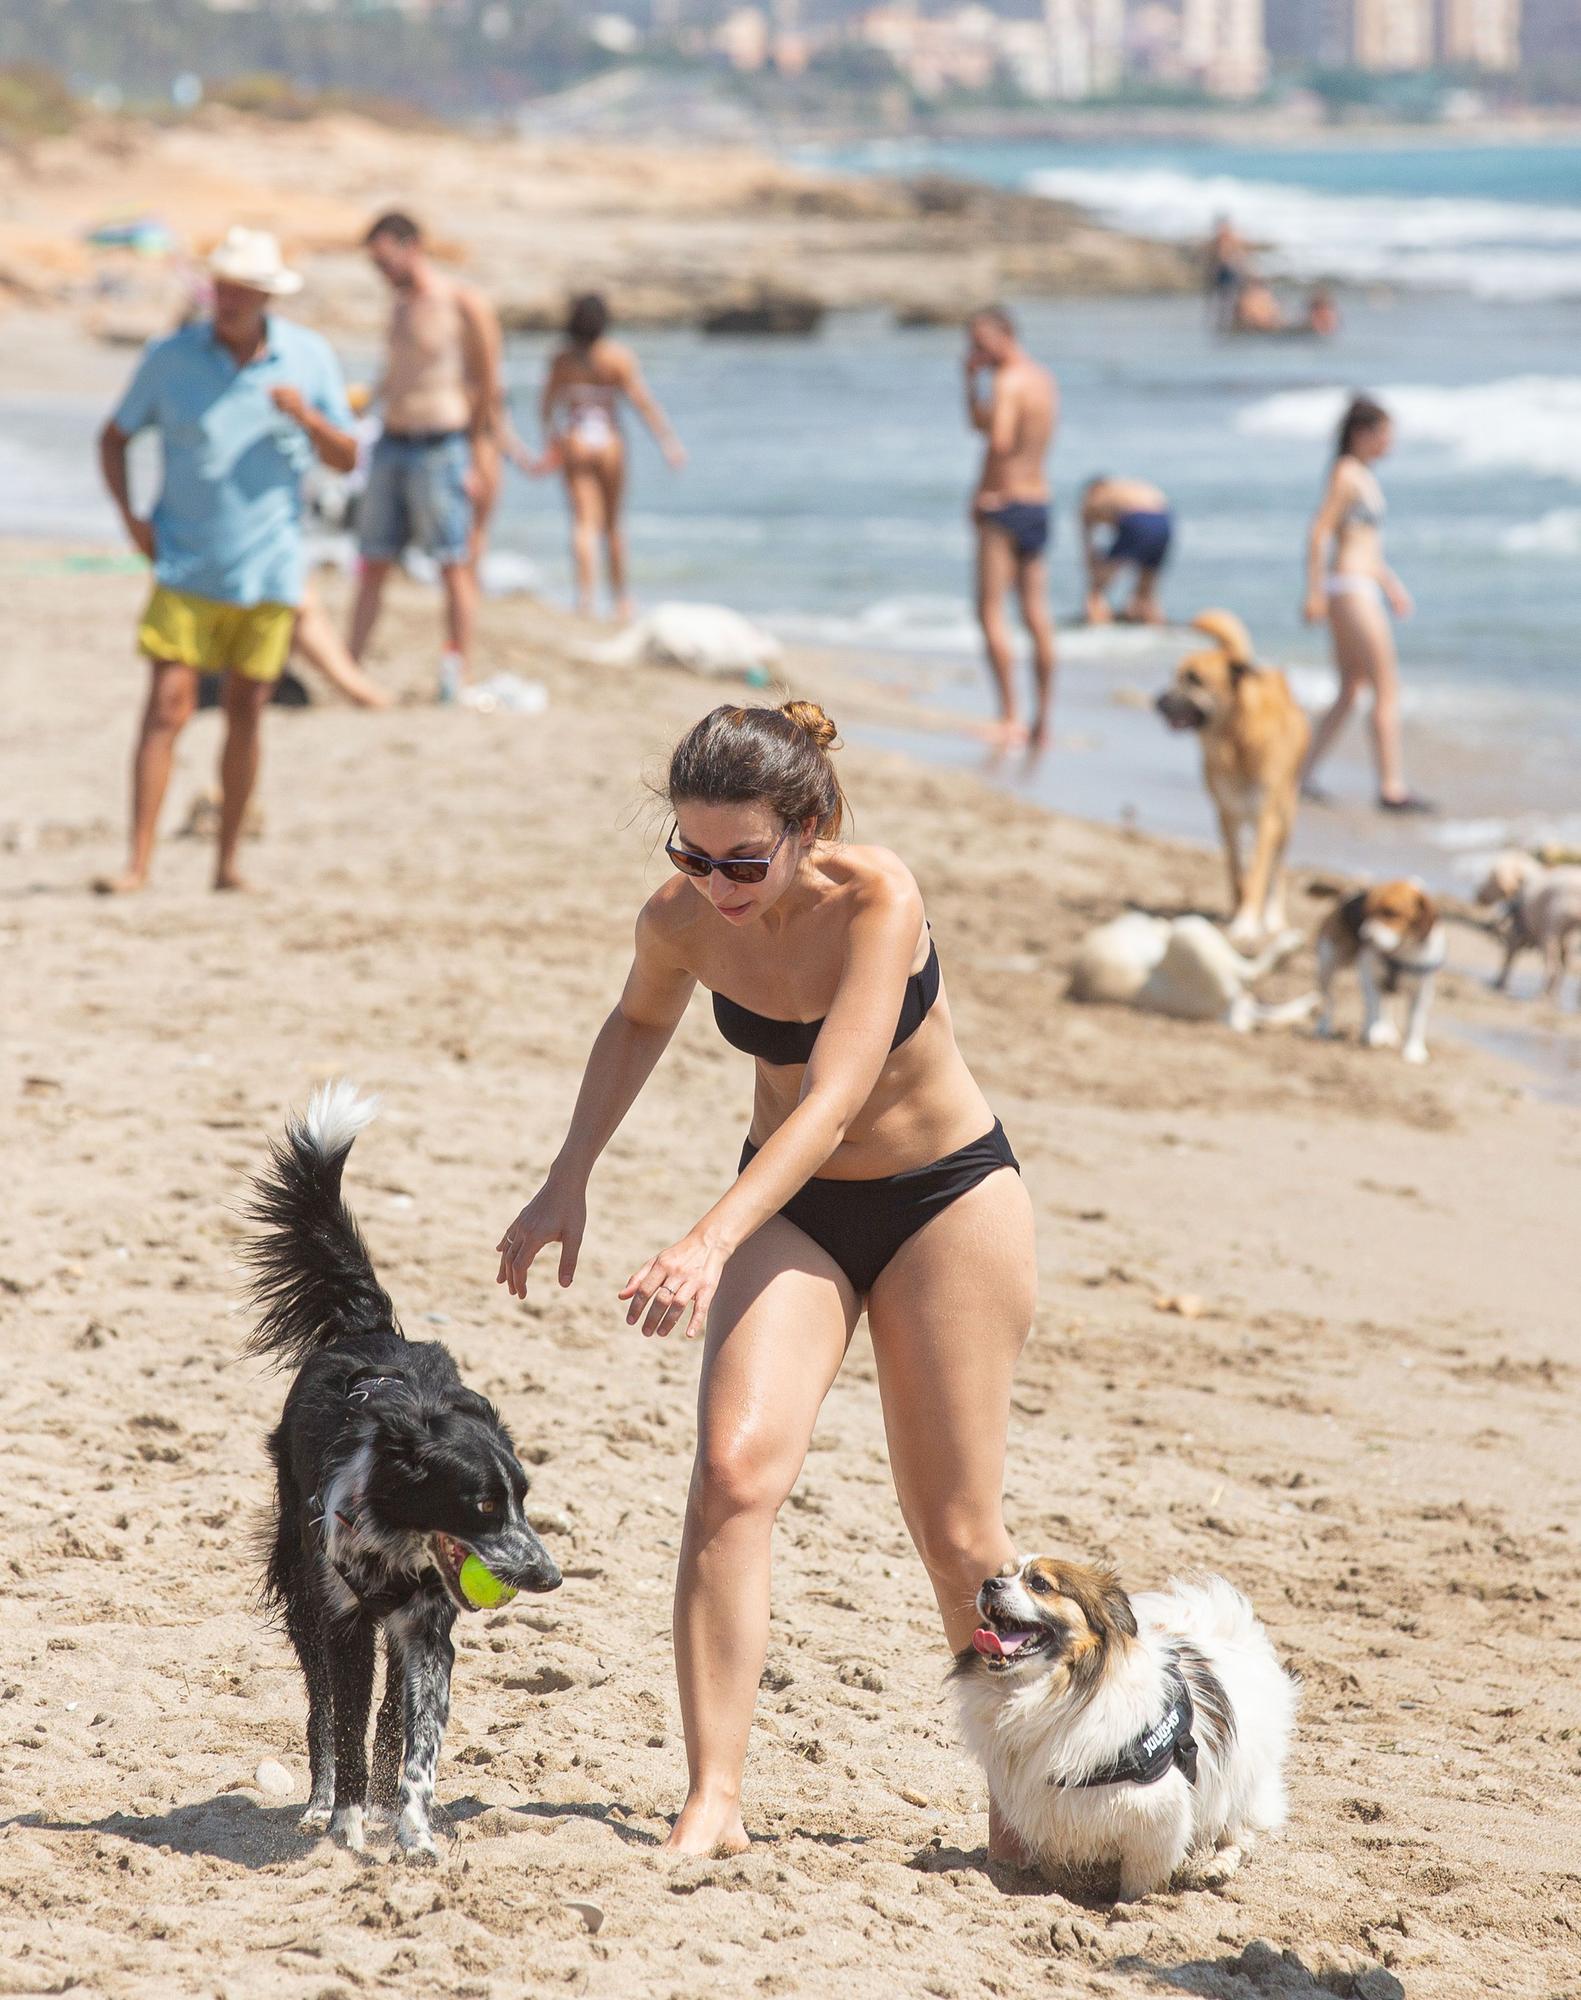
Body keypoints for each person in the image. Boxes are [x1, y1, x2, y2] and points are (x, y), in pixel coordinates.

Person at [495, 701, 1036, 1859]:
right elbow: (637, 1021)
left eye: (743, 858)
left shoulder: (877, 895)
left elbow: (838, 1092)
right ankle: (716, 1799)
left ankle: (1016, 1802)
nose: (717, 882)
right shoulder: (682, 916)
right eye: (691, 853)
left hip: (945, 1200)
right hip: (792, 1203)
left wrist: (705, 1239)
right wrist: (565, 1178)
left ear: (810, 824)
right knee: (734, 1476)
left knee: (956, 1534)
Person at [95, 227, 356, 894]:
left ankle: (227, 863)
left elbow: (347, 457)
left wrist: (306, 417)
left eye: (246, 289)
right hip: (184, 562)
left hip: (269, 568)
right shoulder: (171, 358)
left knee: (246, 712)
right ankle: (138, 864)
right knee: (166, 708)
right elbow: (115, 435)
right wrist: (133, 522)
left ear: (267, 295)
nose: (232, 299)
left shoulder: (308, 357)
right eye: (224, 287)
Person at [348, 212, 504, 699]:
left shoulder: (462, 302)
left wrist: (481, 456)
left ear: (412, 245)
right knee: (372, 560)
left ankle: (457, 670)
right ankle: (349, 664)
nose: (381, 272)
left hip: (442, 445)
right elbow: (393, 376)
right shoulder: (398, 306)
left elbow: (488, 384)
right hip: (391, 442)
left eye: (385, 259)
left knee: (453, 562)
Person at [1302, 395, 1429, 813]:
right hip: (1351, 588)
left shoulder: (1361, 475)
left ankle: (1301, 774)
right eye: (1385, 433)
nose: (1389, 442)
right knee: (1386, 689)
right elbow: (1320, 532)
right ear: (1363, 434)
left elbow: (1365, 544)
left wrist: (1391, 585)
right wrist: (1314, 592)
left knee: (1350, 690)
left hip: (1358, 583)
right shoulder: (1348, 474)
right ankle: (1391, 787)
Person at [540, 293, 685, 622]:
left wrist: (550, 440)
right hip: (609, 440)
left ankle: (586, 599)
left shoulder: (561, 360)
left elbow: (547, 404)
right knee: (613, 525)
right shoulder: (617, 357)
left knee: (582, 523)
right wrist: (668, 443)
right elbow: (642, 404)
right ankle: (621, 601)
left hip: (576, 436)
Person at [964, 306, 1058, 750]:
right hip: (1039, 501)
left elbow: (997, 442)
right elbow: (993, 428)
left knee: (991, 611)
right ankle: (1043, 719)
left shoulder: (1006, 382)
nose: (974, 350)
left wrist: (983, 494)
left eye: (981, 342)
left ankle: (1009, 716)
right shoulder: (1042, 379)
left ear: (1005, 336)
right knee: (1037, 613)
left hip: (1006, 505)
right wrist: (969, 382)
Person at [1079, 475, 1174, 626]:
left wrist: (1097, 574)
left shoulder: (1095, 498)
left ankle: (1096, 625)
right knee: (1147, 589)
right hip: (1164, 520)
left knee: (1097, 589)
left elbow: (1088, 546)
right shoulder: (1128, 487)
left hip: (1136, 519)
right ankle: (1156, 625)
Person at [1205, 215, 1247, 333]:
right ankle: (1222, 323)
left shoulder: (1231, 238)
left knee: (1229, 298)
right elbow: (1214, 259)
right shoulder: (1218, 240)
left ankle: (1230, 323)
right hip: (1223, 271)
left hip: (1230, 271)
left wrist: (1241, 269)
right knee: (1222, 299)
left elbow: (1239, 255)